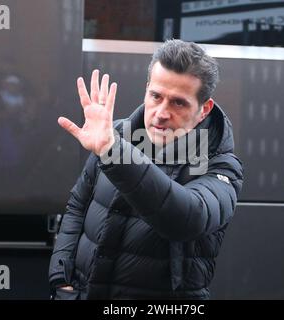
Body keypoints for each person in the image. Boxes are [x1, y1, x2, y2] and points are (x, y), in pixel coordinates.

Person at [48, 39, 243, 300]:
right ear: (146, 90)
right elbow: (77, 207)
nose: (162, 113)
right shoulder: (113, 136)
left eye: (178, 103)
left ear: (203, 110)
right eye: (156, 96)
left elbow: (186, 219)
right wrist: (61, 279)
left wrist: (112, 152)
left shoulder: (221, 165)